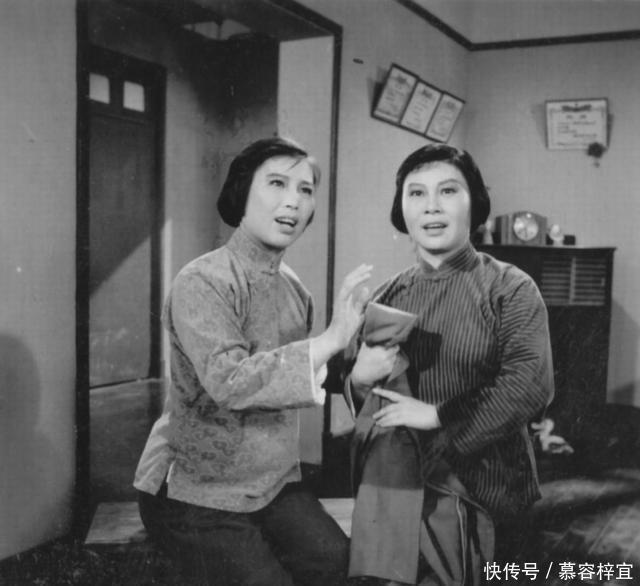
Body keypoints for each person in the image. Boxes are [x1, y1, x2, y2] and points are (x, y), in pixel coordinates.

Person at [134, 137, 372, 586]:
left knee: (339, 565)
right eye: (277, 183)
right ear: (241, 192)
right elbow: (231, 381)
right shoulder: (202, 279)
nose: (293, 201)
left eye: (305, 189)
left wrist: (358, 363)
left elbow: (295, 370)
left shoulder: (293, 287)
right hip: (196, 491)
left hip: (272, 484)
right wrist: (330, 339)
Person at [343, 144, 554, 585]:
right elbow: (369, 405)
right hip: (402, 494)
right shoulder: (387, 295)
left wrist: (438, 415)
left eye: (448, 191)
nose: (432, 206)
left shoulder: (510, 288)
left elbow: (530, 384)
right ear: (402, 209)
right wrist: (358, 379)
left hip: (491, 490)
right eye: (416, 193)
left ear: (474, 203)